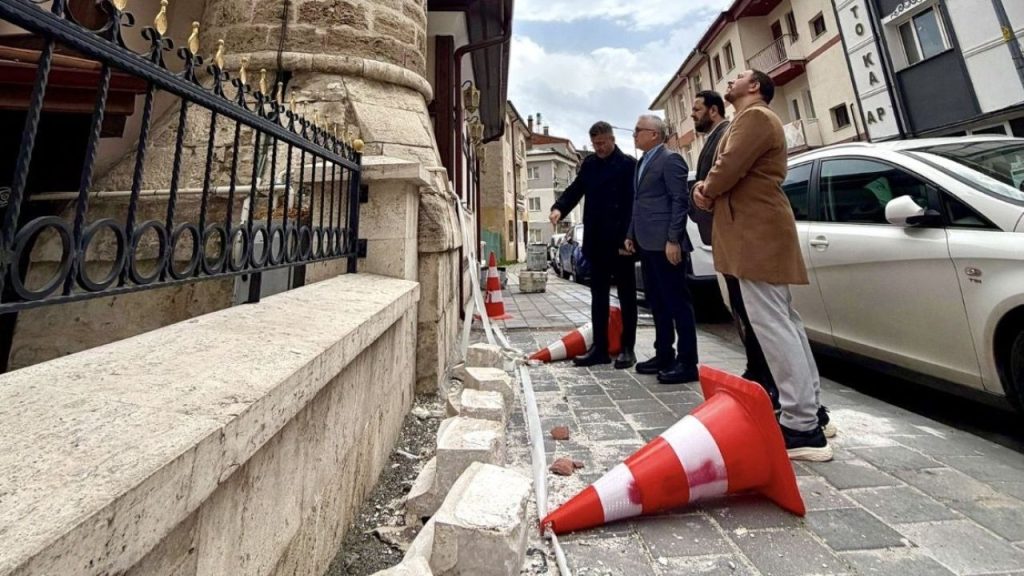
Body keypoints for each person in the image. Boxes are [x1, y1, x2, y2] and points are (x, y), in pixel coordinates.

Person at [692, 70, 832, 461]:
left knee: (772, 325)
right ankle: (811, 412)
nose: (730, 81)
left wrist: (704, 189)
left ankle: (802, 427)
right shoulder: (755, 118)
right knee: (784, 322)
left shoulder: (753, 117)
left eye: (738, 77)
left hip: (755, 232)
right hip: (757, 230)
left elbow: (729, 166)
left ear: (754, 87)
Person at [690, 90, 779, 409]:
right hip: (722, 232)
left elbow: (726, 173)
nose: (692, 115)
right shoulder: (711, 139)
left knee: (752, 310)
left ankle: (765, 378)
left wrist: (703, 191)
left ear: (713, 111)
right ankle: (755, 370)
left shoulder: (730, 132)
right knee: (741, 308)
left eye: (697, 109)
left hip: (737, 230)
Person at [550, 121, 638, 369]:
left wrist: (630, 236)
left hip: (622, 242)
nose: (598, 148)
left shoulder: (628, 165)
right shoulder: (589, 165)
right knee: (598, 297)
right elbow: (576, 189)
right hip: (596, 241)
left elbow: (634, 204)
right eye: (595, 144)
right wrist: (559, 208)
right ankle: (599, 348)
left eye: (602, 143)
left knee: (627, 296)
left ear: (612, 139)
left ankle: (627, 348)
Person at [624, 114, 699, 384]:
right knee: (657, 302)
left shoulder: (671, 160)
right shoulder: (642, 162)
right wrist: (631, 233)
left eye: (638, 130)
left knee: (677, 302)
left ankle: (687, 362)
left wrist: (673, 239)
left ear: (654, 134)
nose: (634, 134)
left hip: (667, 245)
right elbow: (639, 201)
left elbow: (679, 201)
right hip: (647, 243)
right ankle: (664, 354)